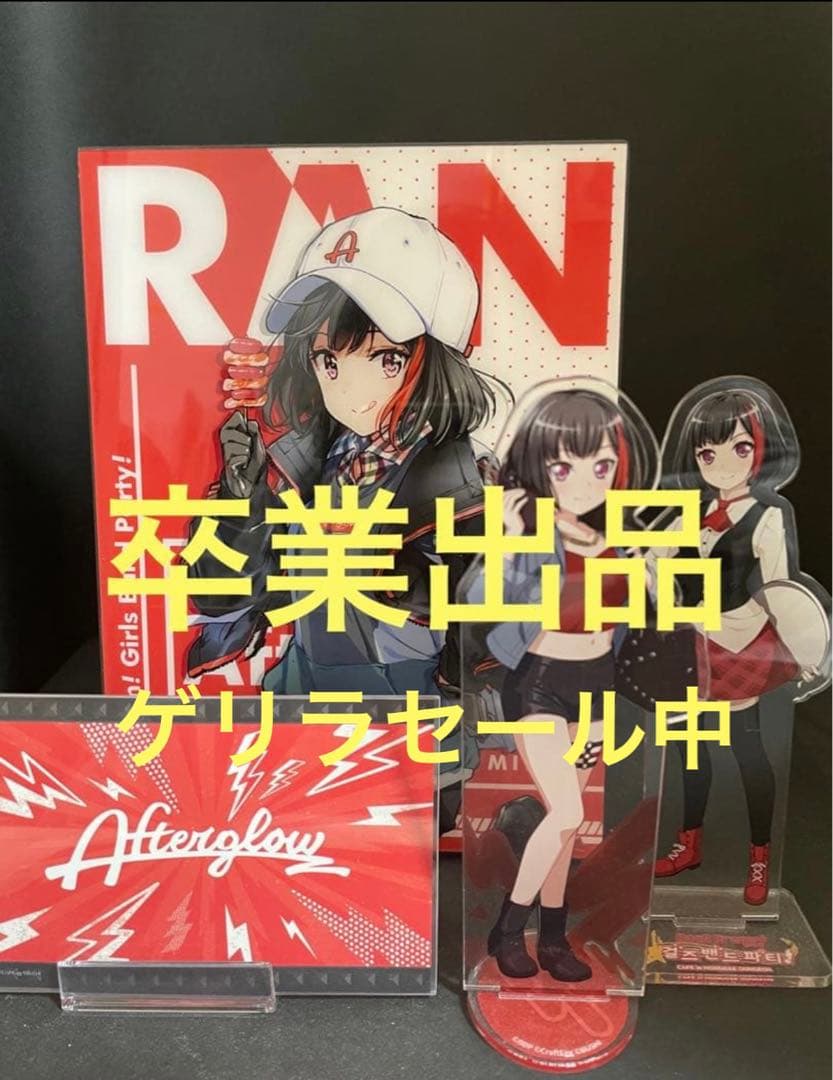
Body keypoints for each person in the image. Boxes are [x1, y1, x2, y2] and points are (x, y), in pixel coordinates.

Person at [186, 207, 502, 812]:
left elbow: (492, 629)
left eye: (384, 359)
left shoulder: (466, 488)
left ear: (437, 361)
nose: (346, 387)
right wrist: (238, 500)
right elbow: (223, 597)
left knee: (406, 850)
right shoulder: (301, 463)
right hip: (306, 708)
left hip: (409, 722)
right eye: (328, 361)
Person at [472, 378, 658, 982]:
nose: (584, 482)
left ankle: (552, 938)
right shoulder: (531, 532)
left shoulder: (617, 541)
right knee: (568, 812)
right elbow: (479, 599)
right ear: (538, 467)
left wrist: (653, 574)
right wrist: (505, 542)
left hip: (596, 686)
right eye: (563, 467)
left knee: (568, 821)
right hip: (540, 682)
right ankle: (508, 929)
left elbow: (637, 619)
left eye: (601, 466)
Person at [651, 379, 831, 905]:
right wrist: (662, 599)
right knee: (688, 748)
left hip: (739, 640)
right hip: (691, 642)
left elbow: (780, 587)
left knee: (747, 750)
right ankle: (689, 843)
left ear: (761, 450)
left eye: (740, 448)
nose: (723, 465)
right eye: (708, 453)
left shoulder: (768, 515)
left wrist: (806, 651)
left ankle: (758, 858)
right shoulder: (689, 514)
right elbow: (648, 560)